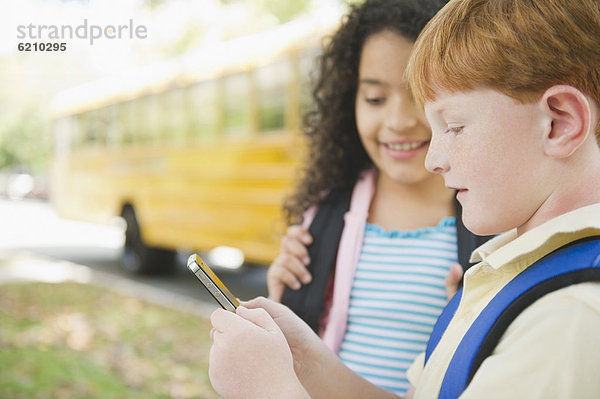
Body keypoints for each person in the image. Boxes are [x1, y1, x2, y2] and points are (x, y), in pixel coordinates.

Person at [208, 0, 600, 398]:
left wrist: (267, 389)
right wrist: (305, 359)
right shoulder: (508, 263)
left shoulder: (572, 316)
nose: (433, 160)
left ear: (558, 123)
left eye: (455, 126)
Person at [267, 0, 490, 395]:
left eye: (422, 95)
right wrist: (285, 297)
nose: (399, 121)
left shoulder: (492, 217)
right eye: (374, 98)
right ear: (346, 101)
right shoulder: (325, 212)